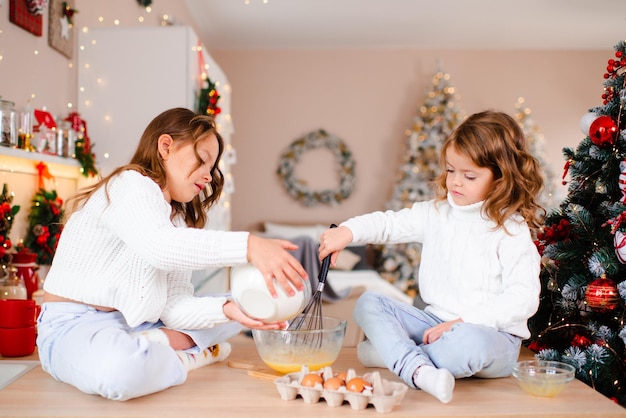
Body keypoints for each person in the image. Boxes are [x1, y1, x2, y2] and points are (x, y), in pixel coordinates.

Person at [37, 107, 308, 401]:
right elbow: (159, 247)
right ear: (165, 146)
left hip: (138, 324)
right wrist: (249, 246)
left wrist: (228, 310)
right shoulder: (130, 185)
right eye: (202, 161)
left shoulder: (176, 218)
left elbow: (174, 306)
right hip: (75, 325)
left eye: (212, 167)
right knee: (121, 372)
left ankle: (151, 345)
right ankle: (184, 355)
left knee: (241, 310)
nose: (207, 176)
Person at [318, 110, 544, 404]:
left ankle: (395, 356)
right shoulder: (436, 213)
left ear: (500, 178)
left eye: (469, 175)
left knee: (466, 345)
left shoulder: (510, 229)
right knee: (368, 303)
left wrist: (461, 323)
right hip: (432, 323)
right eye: (451, 170)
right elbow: (389, 224)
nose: (455, 183)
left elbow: (522, 299)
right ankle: (419, 370)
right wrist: (348, 231)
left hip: (491, 336)